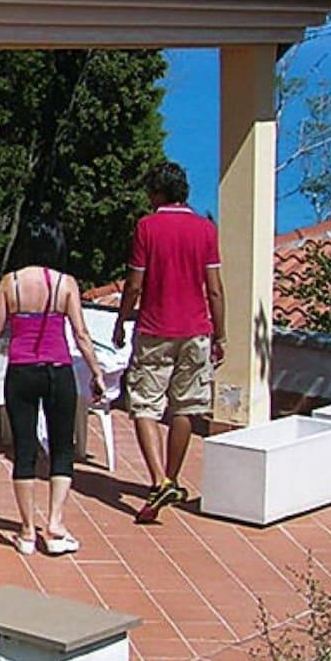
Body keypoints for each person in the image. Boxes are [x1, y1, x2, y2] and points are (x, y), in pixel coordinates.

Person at [112, 162, 225, 524]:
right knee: (185, 407)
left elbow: (134, 284)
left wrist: (121, 320)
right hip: (196, 331)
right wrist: (220, 334)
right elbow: (215, 289)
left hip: (155, 329)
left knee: (145, 405)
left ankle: (159, 479)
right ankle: (172, 479)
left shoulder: (147, 227)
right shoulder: (206, 230)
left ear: (157, 192)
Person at [0, 222, 105, 556]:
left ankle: (26, 531)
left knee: (24, 449)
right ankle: (54, 525)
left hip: (21, 371)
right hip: (58, 370)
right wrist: (96, 373)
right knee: (62, 447)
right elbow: (81, 334)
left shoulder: (10, 282)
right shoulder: (66, 283)